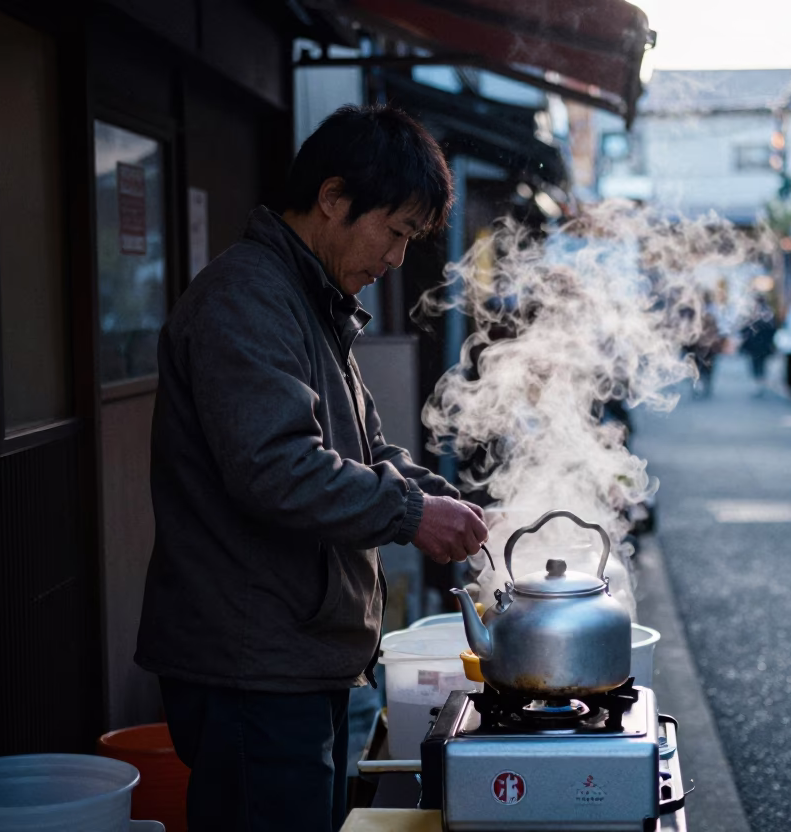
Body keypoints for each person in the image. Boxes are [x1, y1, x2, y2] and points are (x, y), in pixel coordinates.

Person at [135, 105, 488, 832]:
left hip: (295, 656)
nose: (396, 259)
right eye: (394, 232)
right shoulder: (249, 298)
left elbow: (366, 455)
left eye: (410, 241)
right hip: (251, 664)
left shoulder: (310, 300)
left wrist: (449, 504)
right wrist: (413, 515)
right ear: (332, 198)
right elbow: (277, 467)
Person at [738, 294, 777, 397]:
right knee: (759, 363)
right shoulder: (762, 312)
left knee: (757, 362)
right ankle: (760, 382)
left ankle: (759, 382)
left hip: (759, 343)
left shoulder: (760, 312)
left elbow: (745, 327)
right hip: (760, 343)